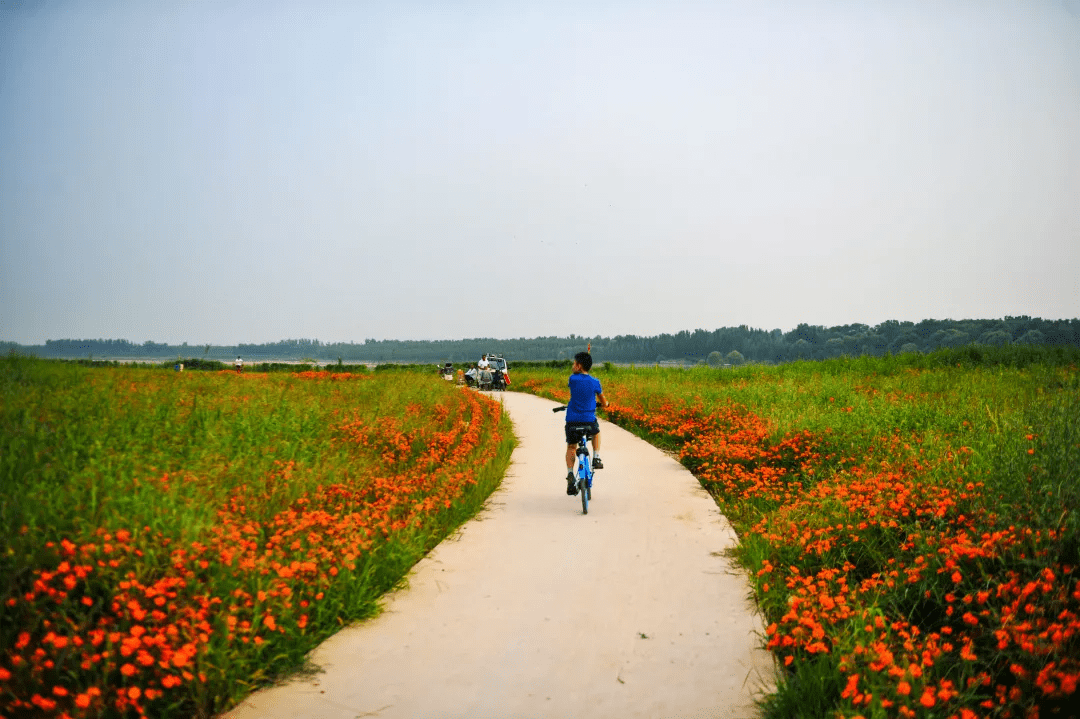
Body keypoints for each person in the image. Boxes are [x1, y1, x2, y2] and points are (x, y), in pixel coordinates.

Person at [563, 351, 607, 496]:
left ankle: (570, 473)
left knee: (571, 446)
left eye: (574, 363)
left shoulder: (572, 379)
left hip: (572, 421)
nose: (572, 365)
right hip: (588, 421)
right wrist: (605, 404)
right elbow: (603, 400)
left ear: (579, 366)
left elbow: (578, 388)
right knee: (596, 432)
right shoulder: (595, 382)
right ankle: (596, 456)